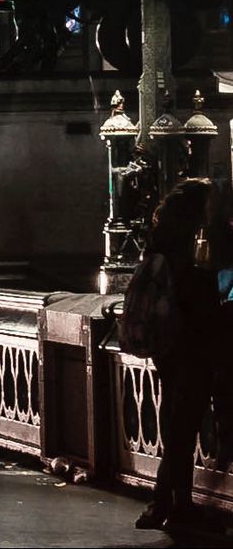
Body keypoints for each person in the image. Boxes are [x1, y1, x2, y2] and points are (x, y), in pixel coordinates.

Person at [141, 176, 225, 535]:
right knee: (184, 426)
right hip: (194, 342)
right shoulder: (194, 246)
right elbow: (206, 297)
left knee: (178, 424)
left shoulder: (161, 241)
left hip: (168, 343)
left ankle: (168, 503)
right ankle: (171, 505)